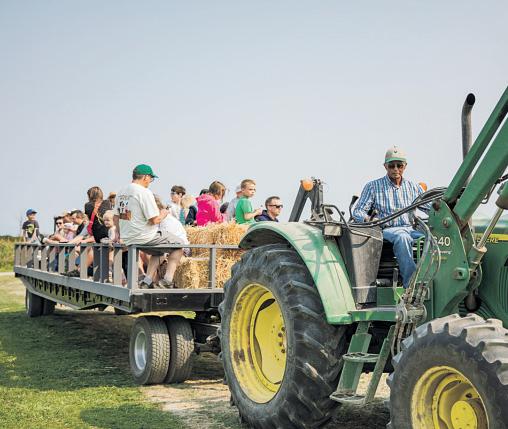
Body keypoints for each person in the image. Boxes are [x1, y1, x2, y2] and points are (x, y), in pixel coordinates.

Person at [352, 146, 425, 288]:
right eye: (392, 165)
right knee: (402, 238)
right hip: (388, 230)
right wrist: (370, 220)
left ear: (405, 166)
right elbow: (358, 212)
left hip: (410, 228)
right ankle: (411, 285)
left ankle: (430, 279)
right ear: (385, 166)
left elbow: (431, 208)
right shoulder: (373, 187)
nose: (396, 169)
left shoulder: (414, 188)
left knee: (434, 238)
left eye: (399, 165)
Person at [114, 164, 185, 288]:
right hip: (145, 237)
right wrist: (163, 214)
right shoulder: (144, 192)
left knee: (158, 252)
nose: (150, 182)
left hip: (128, 238)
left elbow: (117, 217)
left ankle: (147, 281)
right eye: (151, 179)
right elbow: (154, 220)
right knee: (179, 245)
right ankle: (167, 281)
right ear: (145, 177)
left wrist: (120, 234)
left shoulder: (121, 191)